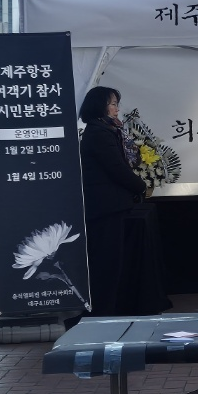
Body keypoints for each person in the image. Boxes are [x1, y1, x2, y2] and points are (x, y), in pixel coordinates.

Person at [79, 86, 147, 316]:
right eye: (113, 104)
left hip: (109, 206)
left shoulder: (107, 130)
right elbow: (116, 168)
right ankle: (101, 313)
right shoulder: (99, 133)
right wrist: (140, 186)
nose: (117, 109)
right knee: (106, 264)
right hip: (105, 208)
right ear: (100, 106)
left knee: (111, 262)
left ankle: (105, 309)